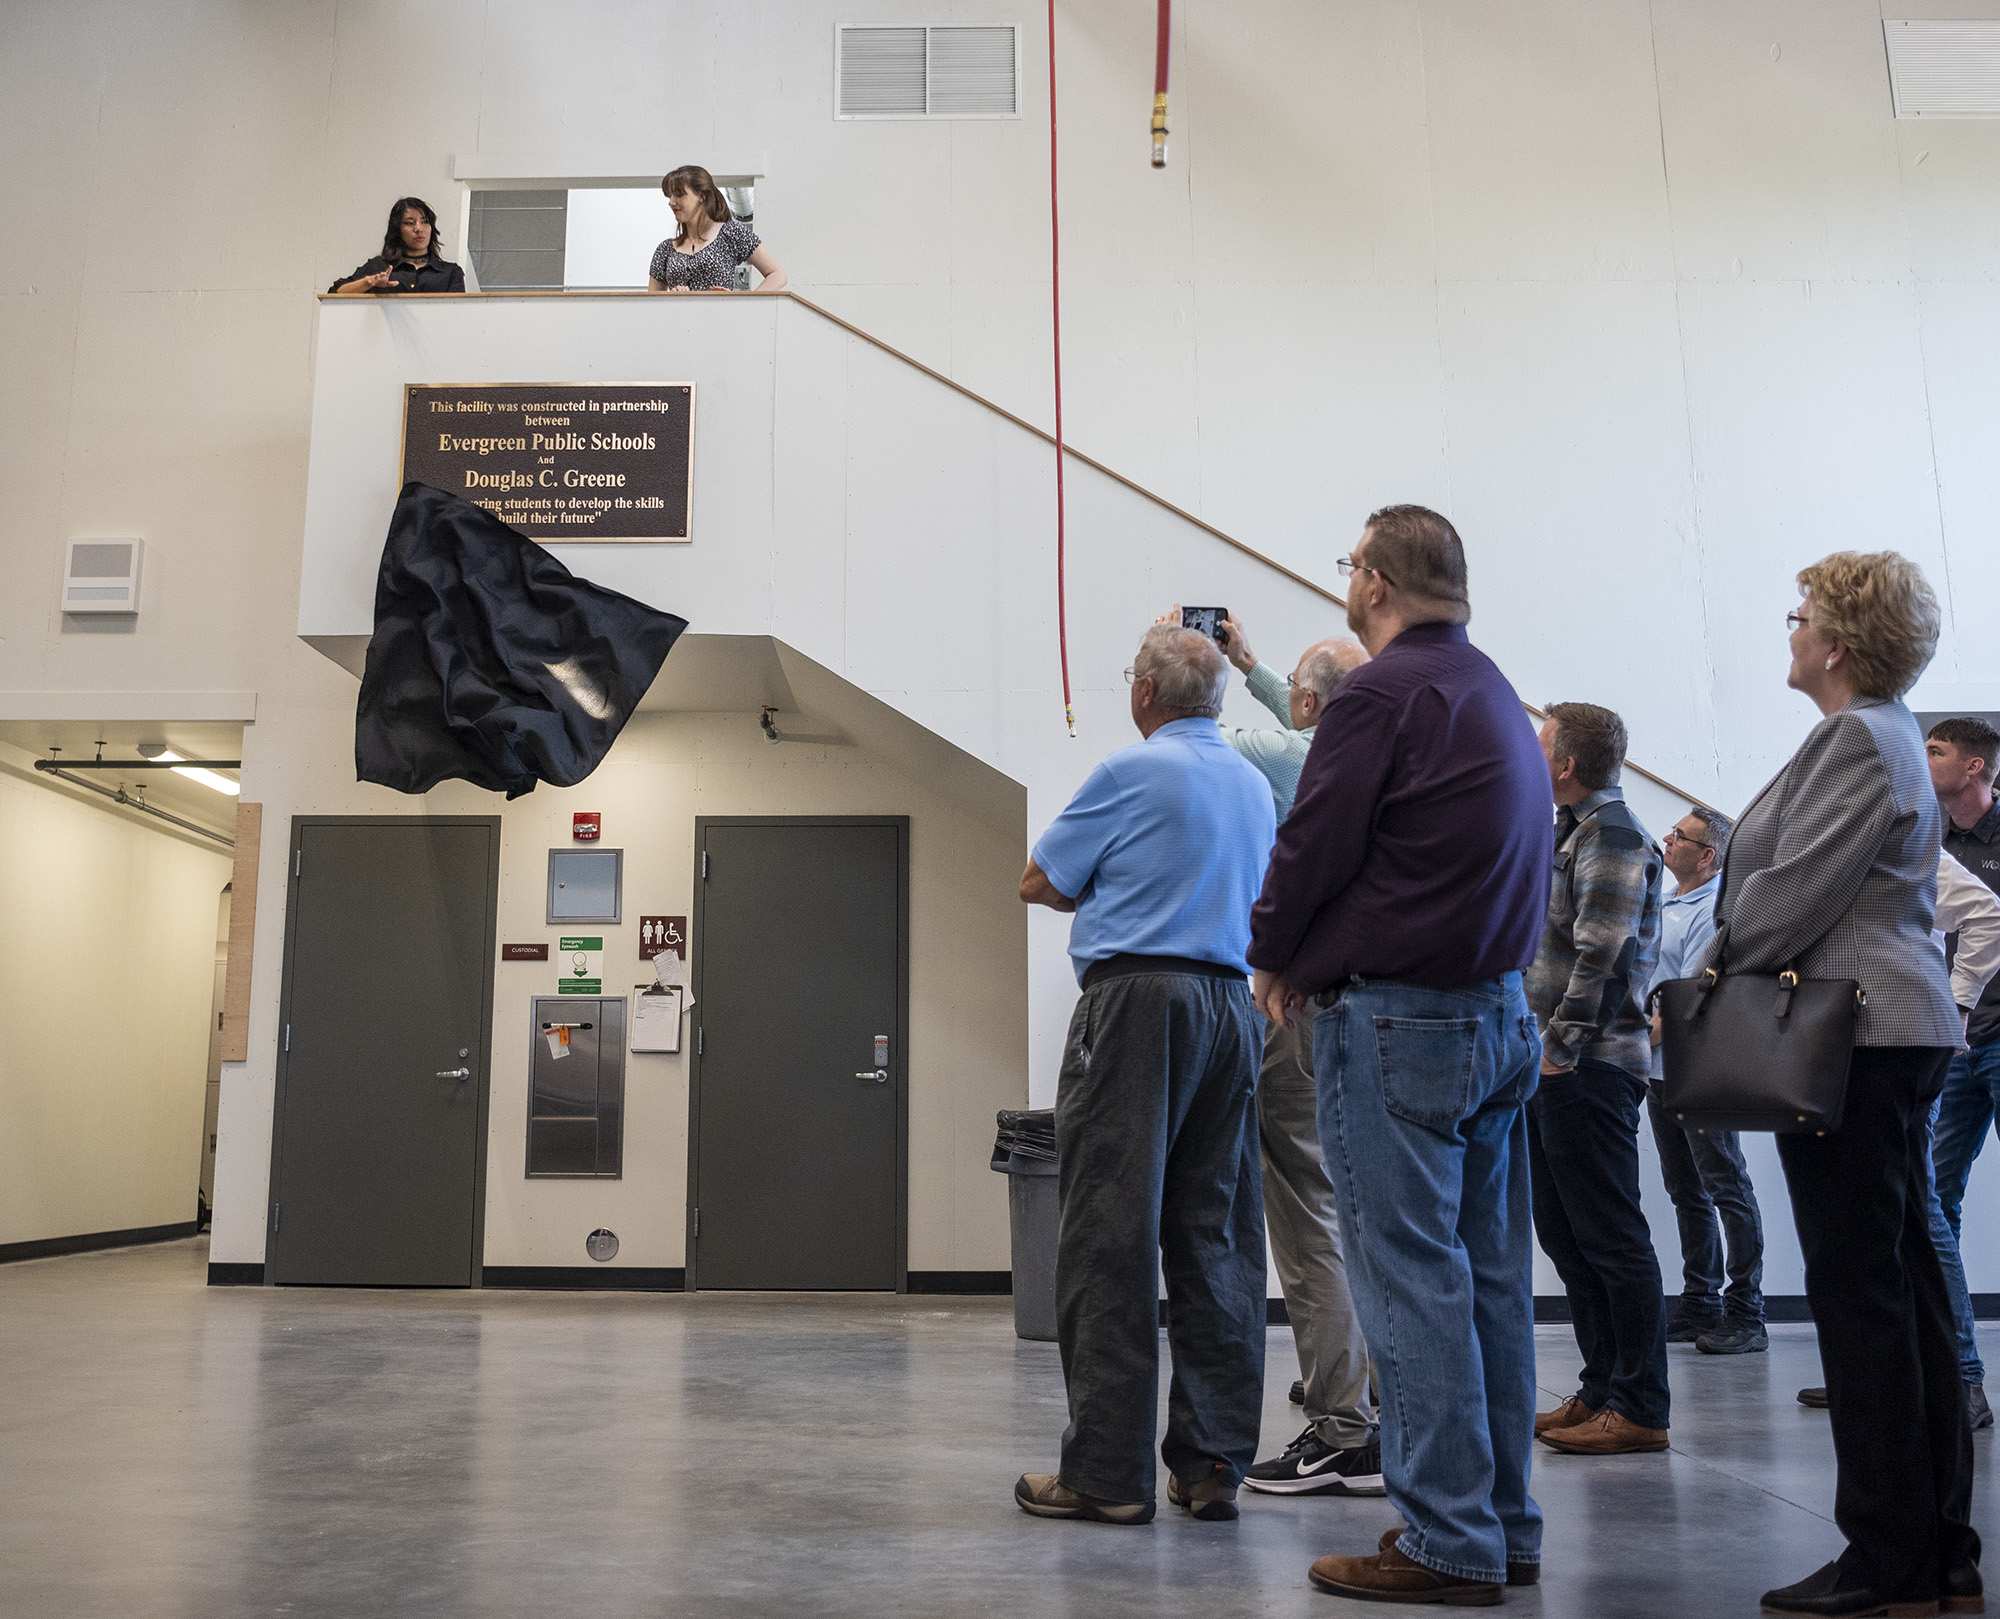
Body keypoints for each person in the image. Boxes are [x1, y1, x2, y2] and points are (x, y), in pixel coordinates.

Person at [1248, 505, 1553, 1603]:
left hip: (1399, 1024)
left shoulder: (1380, 690)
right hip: (1495, 1013)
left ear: (1371, 583)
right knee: (1486, 1285)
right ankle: (1500, 1525)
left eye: (1348, 568)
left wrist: (1273, 954)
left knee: (1405, 1281)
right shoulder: (1495, 697)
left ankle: (1443, 1541)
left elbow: (1315, 836)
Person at [1723, 552, 1973, 1618]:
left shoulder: (1855, 735)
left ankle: (1886, 1559)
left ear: (1833, 640)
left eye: (1799, 615)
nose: (1788, 630)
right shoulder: (1882, 734)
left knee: (1860, 1298)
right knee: (1901, 1290)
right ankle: (1933, 1555)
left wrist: (1706, 959)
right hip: (1886, 1030)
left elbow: (1791, 894)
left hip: (1857, 1033)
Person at [1013, 623, 1276, 1528]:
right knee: (1220, 1235)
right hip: (1232, 1009)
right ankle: (1210, 1465)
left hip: (1134, 1004)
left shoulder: (1130, 771)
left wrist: (1121, 887)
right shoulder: (1252, 784)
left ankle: (1106, 1472)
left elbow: (1039, 880)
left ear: (1145, 694)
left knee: (1108, 1233)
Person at [1162, 606, 1382, 1496]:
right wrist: (1254, 663)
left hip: (1302, 1009)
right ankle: (1357, 1392)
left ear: (1305, 700)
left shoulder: (1297, 759)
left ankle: (1343, 1424)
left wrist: (1192, 663)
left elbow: (1195, 723)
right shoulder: (1371, 759)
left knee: (1303, 1210)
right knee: (1347, 1205)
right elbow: (1299, 712)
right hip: (1373, 1008)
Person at [1525, 704, 1671, 1456]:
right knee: (1569, 1234)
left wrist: (1560, 1048)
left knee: (1611, 1235)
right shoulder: (1574, 830)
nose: (1531, 750)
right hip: (1558, 1066)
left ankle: (1642, 1405)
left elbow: (1604, 956)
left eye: (1541, 742)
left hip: (1588, 1067)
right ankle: (1602, 1385)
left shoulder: (1612, 834)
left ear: (1567, 766)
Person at [1645, 806, 1769, 1357]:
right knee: (1685, 1190)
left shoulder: (1718, 909)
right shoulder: (1666, 901)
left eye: (1680, 836)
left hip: (1698, 1070)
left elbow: (1693, 989)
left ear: (1708, 854)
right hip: (1657, 1073)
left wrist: (1639, 1039)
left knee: (1726, 1187)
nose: (1667, 840)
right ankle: (1701, 1302)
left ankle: (1748, 1312)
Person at [1928, 717, 2000, 1425]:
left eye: (1937, 750)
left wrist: (1961, 1002)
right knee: (1929, 1204)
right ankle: (1955, 1376)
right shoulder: (1930, 842)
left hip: (1995, 1035)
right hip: (1950, 1049)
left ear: (1975, 766)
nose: (1924, 759)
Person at [647, 166, 787, 292]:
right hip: (678, 319)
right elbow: (650, 304)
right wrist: (671, 297)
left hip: (722, 319)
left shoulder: (731, 232)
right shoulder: (665, 249)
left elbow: (778, 275)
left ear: (701, 196)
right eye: (669, 196)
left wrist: (742, 304)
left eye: (679, 194)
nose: (671, 202)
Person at [329, 197, 466, 295]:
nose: (419, 228)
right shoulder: (379, 267)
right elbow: (335, 293)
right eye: (409, 223)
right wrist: (369, 283)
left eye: (425, 222)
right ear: (397, 229)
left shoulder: (450, 273)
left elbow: (457, 314)